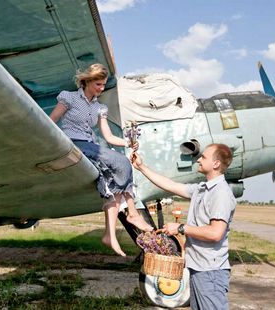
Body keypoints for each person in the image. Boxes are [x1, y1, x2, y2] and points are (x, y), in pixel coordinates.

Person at [49, 63, 152, 257]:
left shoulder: (99, 108)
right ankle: (133, 213)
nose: (101, 88)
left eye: (104, 84)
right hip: (72, 143)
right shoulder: (69, 97)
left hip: (92, 146)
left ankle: (109, 234)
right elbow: (50, 121)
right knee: (121, 163)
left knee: (113, 178)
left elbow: (109, 137)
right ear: (86, 81)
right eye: (98, 84)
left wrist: (130, 143)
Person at [132, 144, 236, 310]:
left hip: (210, 272)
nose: (199, 159)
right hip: (198, 268)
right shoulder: (202, 189)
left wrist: (181, 228)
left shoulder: (220, 193)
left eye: (204, 157)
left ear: (216, 164)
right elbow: (170, 185)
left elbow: (216, 233)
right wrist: (141, 167)